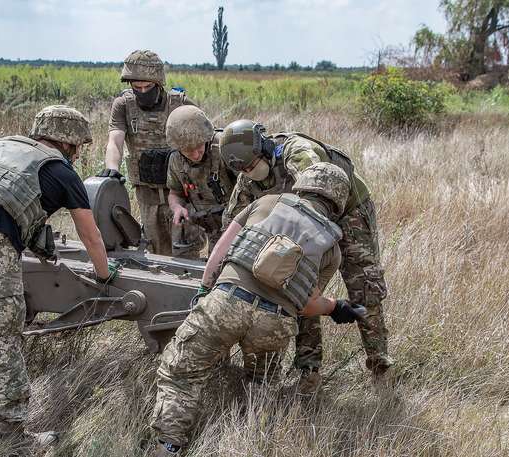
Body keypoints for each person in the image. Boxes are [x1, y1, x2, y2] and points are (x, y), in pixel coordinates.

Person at [149, 163, 367, 456]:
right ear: (337, 202)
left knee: (181, 374)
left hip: (226, 303)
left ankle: (169, 447)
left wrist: (203, 292)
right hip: (275, 324)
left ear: (301, 185)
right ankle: (247, 442)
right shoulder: (332, 248)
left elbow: (220, 253)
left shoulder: (267, 202)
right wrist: (335, 308)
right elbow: (306, 305)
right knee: (261, 385)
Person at [0, 105, 116, 451]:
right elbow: (90, 235)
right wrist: (104, 275)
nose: (77, 154)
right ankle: (13, 438)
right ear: (70, 144)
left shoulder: (1, 145)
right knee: (3, 338)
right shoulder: (61, 171)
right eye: (78, 147)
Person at [219, 120, 393, 393]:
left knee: (364, 288)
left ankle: (380, 366)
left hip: (346, 211)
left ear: (263, 148)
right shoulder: (246, 178)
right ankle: (309, 372)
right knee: (297, 289)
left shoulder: (298, 153)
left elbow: (316, 186)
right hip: (303, 228)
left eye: (252, 165)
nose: (250, 173)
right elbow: (231, 225)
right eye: (243, 170)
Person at [98, 49, 199, 256]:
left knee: (185, 254)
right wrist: (112, 169)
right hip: (147, 196)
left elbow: (201, 142)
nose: (143, 91)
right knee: (155, 253)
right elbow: (115, 140)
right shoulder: (123, 106)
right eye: (137, 87)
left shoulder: (180, 104)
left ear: (159, 83)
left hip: (181, 194)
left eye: (148, 87)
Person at [164, 105, 236, 258]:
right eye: (188, 151)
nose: (195, 154)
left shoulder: (224, 147)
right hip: (209, 223)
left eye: (198, 147)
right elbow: (174, 193)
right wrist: (177, 208)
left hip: (235, 222)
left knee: (225, 265)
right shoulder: (175, 160)